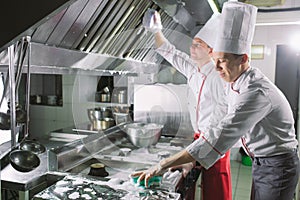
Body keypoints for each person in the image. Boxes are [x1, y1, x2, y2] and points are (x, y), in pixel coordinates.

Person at [132, 2, 300, 200]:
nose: (218, 67)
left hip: (276, 163)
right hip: (259, 160)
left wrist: (163, 164)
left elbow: (220, 133)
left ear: (243, 58)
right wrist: (156, 31)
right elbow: (172, 54)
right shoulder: (232, 79)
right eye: (216, 59)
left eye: (223, 60)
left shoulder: (255, 92)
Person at [143, 9, 231, 200]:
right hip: (199, 139)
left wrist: (191, 156)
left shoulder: (218, 78)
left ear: (211, 51)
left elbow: (221, 121)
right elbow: (169, 52)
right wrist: (156, 30)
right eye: (193, 43)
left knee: (217, 190)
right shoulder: (193, 70)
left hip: (215, 141)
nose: (192, 48)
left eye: (198, 45)